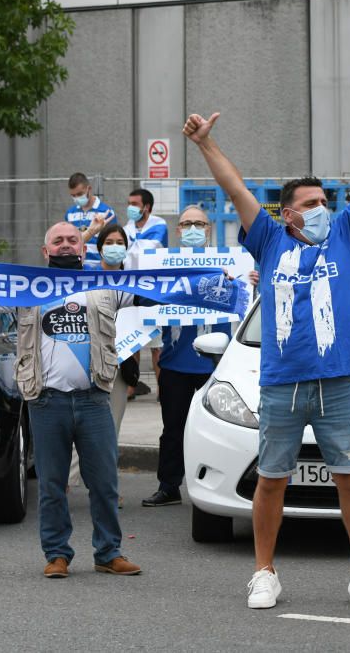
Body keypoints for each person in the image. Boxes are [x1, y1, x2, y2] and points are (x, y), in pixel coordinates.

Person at [183, 97, 350, 611]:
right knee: (271, 480)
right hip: (281, 384)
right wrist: (206, 144)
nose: (322, 209)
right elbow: (235, 188)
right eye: (311, 203)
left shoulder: (343, 234)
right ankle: (264, 572)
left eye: (325, 202)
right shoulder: (269, 239)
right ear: (289, 213)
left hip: (337, 381)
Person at [0, 223, 142, 579]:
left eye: (72, 240)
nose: (65, 245)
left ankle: (108, 552)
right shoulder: (25, 286)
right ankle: (57, 554)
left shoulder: (105, 286)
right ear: (45, 251)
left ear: (83, 249)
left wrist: (208, 281)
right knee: (52, 485)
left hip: (94, 401)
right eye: (57, 241)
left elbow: (159, 292)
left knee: (104, 484)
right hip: (46, 402)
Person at [141, 206, 232, 508]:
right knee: (173, 429)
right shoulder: (164, 267)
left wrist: (247, 279)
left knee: (222, 429)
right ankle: (169, 486)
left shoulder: (228, 266)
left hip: (216, 365)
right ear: (178, 231)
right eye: (186, 224)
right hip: (175, 364)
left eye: (199, 224)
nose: (193, 228)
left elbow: (247, 296)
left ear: (209, 230)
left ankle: (222, 486)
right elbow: (146, 304)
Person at [67, 224, 140, 495]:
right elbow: (68, 260)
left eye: (119, 241)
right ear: (98, 249)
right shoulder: (87, 276)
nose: (114, 246)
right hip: (86, 362)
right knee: (78, 427)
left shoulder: (135, 280)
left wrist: (133, 372)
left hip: (120, 368)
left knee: (111, 431)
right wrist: (87, 233)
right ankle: (68, 481)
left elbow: (140, 325)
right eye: (108, 241)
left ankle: (108, 489)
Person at [123, 188, 169, 392]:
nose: (130, 208)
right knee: (132, 341)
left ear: (146, 207)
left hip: (153, 290)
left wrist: (130, 249)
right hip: (130, 289)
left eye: (134, 204)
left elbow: (147, 251)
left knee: (156, 344)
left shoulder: (159, 224)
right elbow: (127, 254)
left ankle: (162, 389)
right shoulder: (126, 228)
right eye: (129, 203)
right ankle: (131, 388)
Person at [66, 172, 116, 265]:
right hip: (77, 264)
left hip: (99, 265)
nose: (76, 198)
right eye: (73, 195)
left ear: (89, 189)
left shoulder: (106, 211)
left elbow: (113, 240)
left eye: (80, 194)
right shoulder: (70, 213)